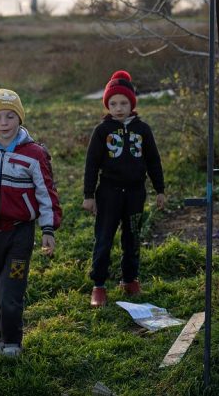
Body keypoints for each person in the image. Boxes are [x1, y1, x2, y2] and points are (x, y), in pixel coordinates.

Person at [0, 88, 63, 357]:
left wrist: (48, 228)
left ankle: (12, 342)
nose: (4, 123)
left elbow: (46, 191)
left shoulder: (34, 153)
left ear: (20, 118)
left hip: (20, 234)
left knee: (9, 294)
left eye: (10, 116)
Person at [82, 70, 166, 307]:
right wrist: (89, 195)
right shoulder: (102, 131)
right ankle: (99, 285)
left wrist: (160, 189)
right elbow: (91, 164)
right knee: (104, 238)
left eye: (124, 103)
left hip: (135, 194)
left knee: (132, 237)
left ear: (132, 104)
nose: (118, 108)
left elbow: (153, 161)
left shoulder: (143, 130)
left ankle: (129, 279)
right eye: (113, 103)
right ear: (107, 105)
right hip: (108, 193)